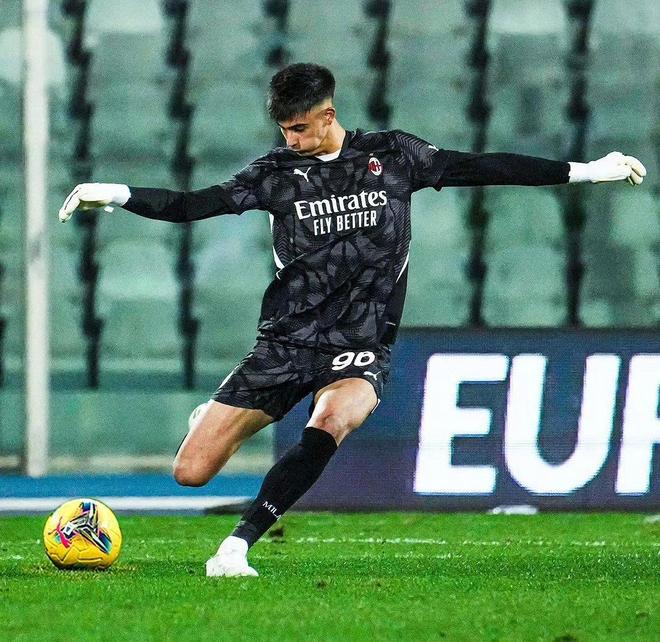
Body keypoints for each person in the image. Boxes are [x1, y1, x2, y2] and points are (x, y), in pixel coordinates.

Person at [59, 63, 646, 577]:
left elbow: (482, 166)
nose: (290, 139)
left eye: (299, 128)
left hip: (361, 340)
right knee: (191, 472)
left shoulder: (393, 156)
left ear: (328, 115)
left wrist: (586, 171)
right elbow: (194, 205)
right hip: (287, 339)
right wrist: (115, 192)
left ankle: (237, 546)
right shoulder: (275, 173)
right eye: (283, 129)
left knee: (336, 416)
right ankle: (213, 419)